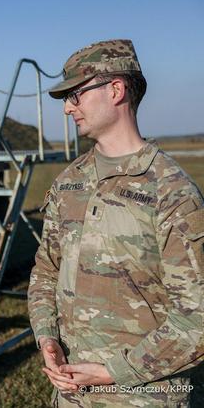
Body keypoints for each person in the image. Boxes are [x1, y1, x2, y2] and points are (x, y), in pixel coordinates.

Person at [28, 39, 204, 406]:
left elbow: (197, 321)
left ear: (116, 90)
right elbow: (46, 271)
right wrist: (47, 338)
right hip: (72, 395)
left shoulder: (171, 190)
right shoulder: (69, 183)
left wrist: (112, 373)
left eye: (76, 94)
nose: (67, 108)